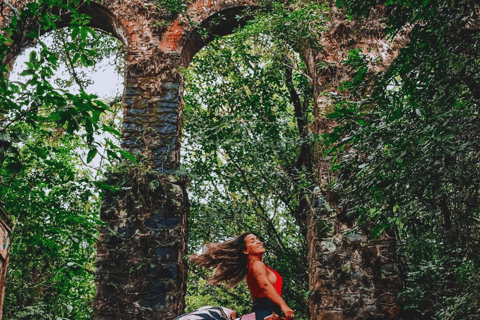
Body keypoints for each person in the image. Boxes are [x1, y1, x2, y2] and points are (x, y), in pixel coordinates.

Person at [190, 232, 295, 320]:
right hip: (264, 313)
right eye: (252, 241)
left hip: (268, 313)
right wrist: (283, 305)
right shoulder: (257, 265)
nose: (258, 242)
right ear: (246, 250)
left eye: (258, 239)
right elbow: (265, 286)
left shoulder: (258, 266)